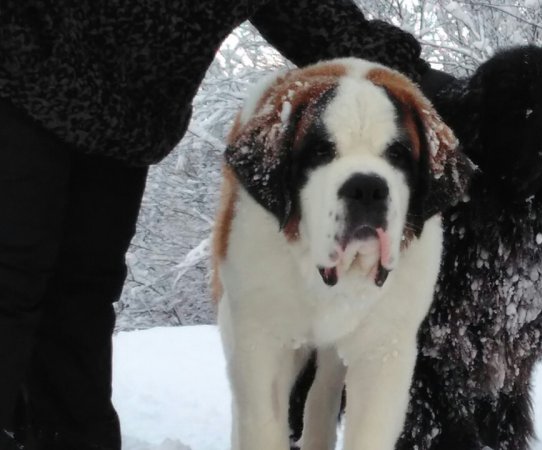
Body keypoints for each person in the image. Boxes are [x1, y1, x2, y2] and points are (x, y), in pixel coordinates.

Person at [0, 1, 429, 449]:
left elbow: (313, 17)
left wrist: (426, 81)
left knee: (81, 294)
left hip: (120, 122)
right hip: (19, 70)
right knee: (11, 277)